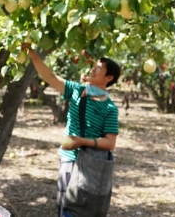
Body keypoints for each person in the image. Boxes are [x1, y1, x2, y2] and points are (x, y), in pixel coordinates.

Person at [21, 44, 120, 217]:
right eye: (94, 66)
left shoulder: (110, 108)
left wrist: (83, 142)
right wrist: (32, 54)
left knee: (85, 209)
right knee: (65, 205)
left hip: (91, 164)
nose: (93, 69)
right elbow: (50, 77)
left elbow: (110, 142)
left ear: (109, 77)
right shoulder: (76, 90)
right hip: (70, 158)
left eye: (98, 68)